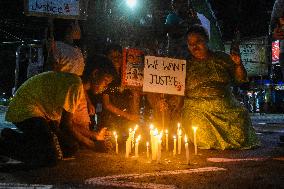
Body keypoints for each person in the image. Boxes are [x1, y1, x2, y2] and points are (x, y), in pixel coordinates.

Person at [0, 55, 116, 167]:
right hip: (27, 109)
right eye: (105, 81)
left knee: (69, 148)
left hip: (43, 115)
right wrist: (93, 145)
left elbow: (67, 124)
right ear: (95, 74)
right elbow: (67, 126)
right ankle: (5, 144)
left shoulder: (76, 85)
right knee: (50, 157)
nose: (105, 87)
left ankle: (11, 137)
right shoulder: (74, 84)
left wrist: (95, 136)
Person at [182, 24, 260, 150]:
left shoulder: (222, 58)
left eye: (198, 42)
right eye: (190, 44)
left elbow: (240, 79)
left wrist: (239, 64)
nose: (194, 46)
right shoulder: (184, 64)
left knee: (241, 117)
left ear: (206, 40)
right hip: (197, 110)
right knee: (199, 128)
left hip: (226, 106)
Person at [44, 18, 95, 116]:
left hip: (78, 96)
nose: (80, 28)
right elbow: (51, 72)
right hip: (63, 96)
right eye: (77, 24)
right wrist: (50, 52)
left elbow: (79, 81)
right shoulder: (57, 46)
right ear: (70, 27)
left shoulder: (78, 50)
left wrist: (88, 101)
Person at [92, 44, 140, 136]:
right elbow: (107, 105)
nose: (116, 59)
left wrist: (133, 116)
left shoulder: (128, 76)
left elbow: (135, 96)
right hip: (110, 119)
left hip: (126, 119)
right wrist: (128, 116)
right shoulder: (105, 76)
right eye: (113, 56)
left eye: (119, 56)